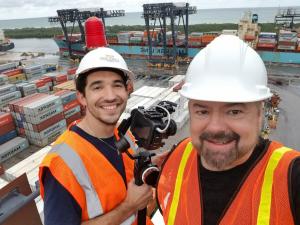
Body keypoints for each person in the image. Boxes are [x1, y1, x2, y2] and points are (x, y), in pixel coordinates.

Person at [156, 35, 300, 225]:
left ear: (259, 114)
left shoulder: (291, 177)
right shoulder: (177, 157)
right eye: (202, 111)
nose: (215, 127)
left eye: (234, 111)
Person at [39, 47, 155, 225]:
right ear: (82, 97)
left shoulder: (122, 133)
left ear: (126, 91)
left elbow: (124, 175)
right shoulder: (62, 164)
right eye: (97, 87)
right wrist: (129, 206)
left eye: (117, 85)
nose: (110, 96)